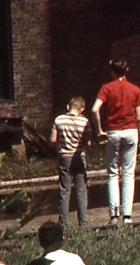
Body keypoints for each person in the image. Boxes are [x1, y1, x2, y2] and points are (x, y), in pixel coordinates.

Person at [91, 58, 140, 226]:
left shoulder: (107, 88)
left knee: (113, 173)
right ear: (126, 71)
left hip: (113, 131)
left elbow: (94, 109)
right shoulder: (135, 89)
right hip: (131, 131)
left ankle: (114, 216)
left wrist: (99, 130)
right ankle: (127, 215)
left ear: (113, 72)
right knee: (129, 173)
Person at [49, 95, 93, 226]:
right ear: (82, 109)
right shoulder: (84, 122)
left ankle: (63, 222)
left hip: (64, 157)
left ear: (68, 107)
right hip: (79, 156)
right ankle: (83, 222)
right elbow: (89, 142)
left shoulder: (59, 120)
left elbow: (52, 140)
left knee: (64, 189)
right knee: (81, 189)